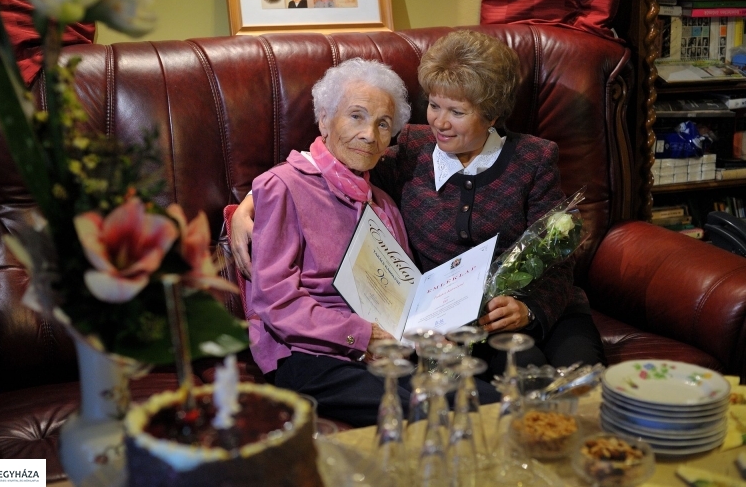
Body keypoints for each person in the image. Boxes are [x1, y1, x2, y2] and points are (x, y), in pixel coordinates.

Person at [232, 30, 606, 377]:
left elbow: (558, 255)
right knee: (523, 374)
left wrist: (530, 309)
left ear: (492, 115)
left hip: (544, 309)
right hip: (465, 327)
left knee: (581, 376)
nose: (440, 123)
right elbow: (332, 165)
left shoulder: (534, 158)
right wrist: (250, 203)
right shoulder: (412, 150)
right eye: (435, 106)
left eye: (457, 113)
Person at [245, 58, 500, 427]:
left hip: (387, 352)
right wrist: (362, 336)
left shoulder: (383, 204)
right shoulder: (283, 186)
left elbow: (403, 296)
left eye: (383, 124)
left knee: (487, 402)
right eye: (356, 116)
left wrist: (424, 335)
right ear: (324, 121)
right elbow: (275, 301)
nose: (369, 134)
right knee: (429, 413)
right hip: (308, 353)